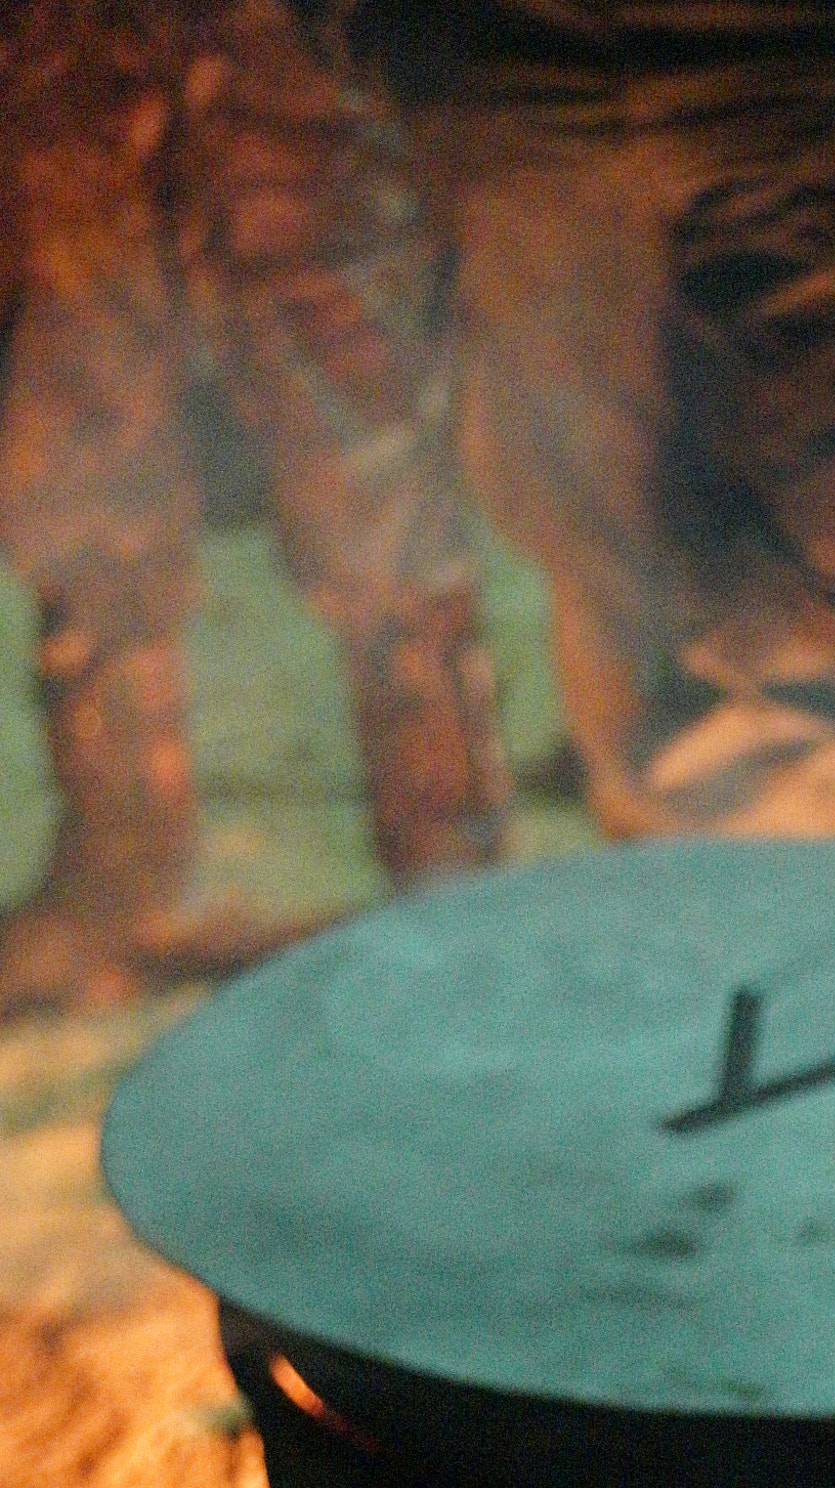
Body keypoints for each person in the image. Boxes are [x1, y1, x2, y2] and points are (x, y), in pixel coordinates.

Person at [374, 0, 835, 838]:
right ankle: (733, 816)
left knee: (592, 487)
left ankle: (722, 812)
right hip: (753, 85)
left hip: (537, 91)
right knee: (638, 497)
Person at [0, 0, 508, 1019]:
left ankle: (449, 857)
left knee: (370, 462)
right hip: (58, 65)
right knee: (81, 455)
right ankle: (123, 872)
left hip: (294, 63)